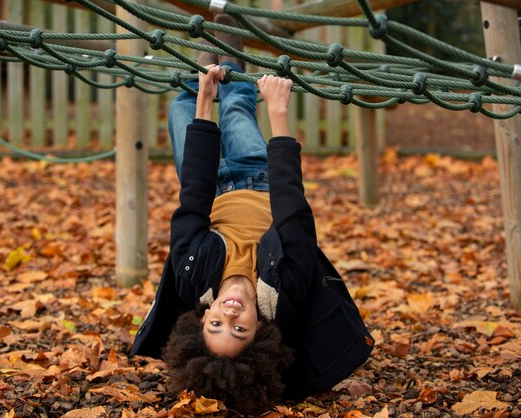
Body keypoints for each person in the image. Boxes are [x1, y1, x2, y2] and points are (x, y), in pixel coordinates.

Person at [130, 14, 374, 415]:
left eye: (215, 325)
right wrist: (278, 111)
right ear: (259, 330)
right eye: (238, 330)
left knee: (183, 108)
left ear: (203, 316)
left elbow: (191, 201)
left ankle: (208, 71)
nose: (228, 315)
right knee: (238, 110)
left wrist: (204, 101)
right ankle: (229, 59)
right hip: (258, 175)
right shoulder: (283, 289)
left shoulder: (195, 279)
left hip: (210, 187)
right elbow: (292, 211)